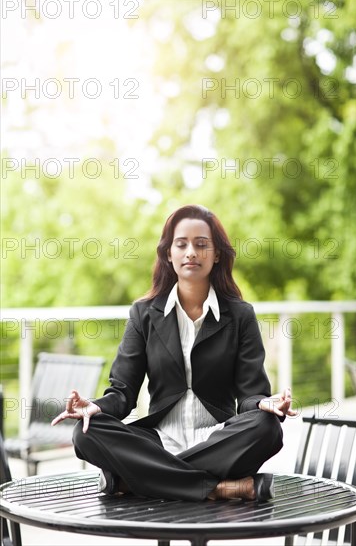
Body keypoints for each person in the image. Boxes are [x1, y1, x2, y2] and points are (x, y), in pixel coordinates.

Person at [52, 204, 296, 502]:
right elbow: (123, 393)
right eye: (181, 244)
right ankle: (219, 488)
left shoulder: (240, 316)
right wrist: (95, 407)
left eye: (201, 244)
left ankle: (136, 482)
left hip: (218, 439)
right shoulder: (143, 314)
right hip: (158, 441)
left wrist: (265, 404)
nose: (191, 252)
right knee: (86, 433)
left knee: (267, 428)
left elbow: (250, 396)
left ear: (217, 254)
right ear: (169, 254)